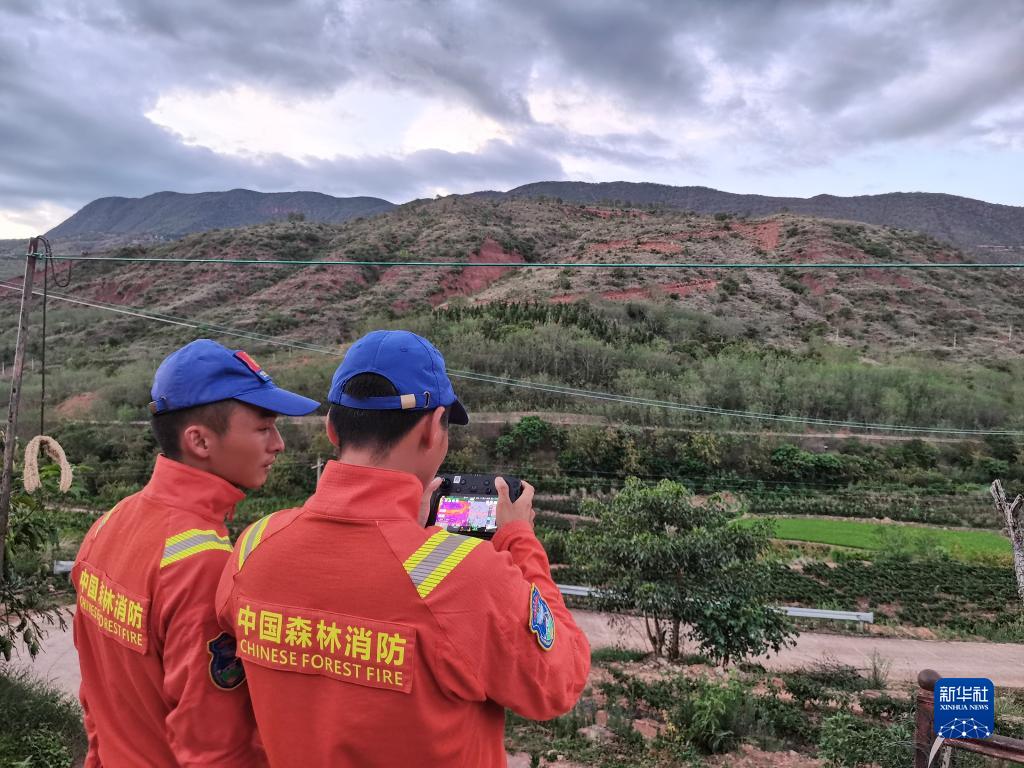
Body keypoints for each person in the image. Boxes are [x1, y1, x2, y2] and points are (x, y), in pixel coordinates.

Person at [216, 330, 591, 767]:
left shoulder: (253, 546)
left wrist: (404, 529)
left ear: (332, 427)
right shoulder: (465, 575)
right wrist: (519, 540)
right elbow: (559, 680)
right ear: (433, 429)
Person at [72, 339, 319, 767]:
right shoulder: (200, 563)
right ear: (200, 441)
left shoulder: (110, 522)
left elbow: (93, 695)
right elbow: (214, 748)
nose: (278, 444)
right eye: (263, 428)